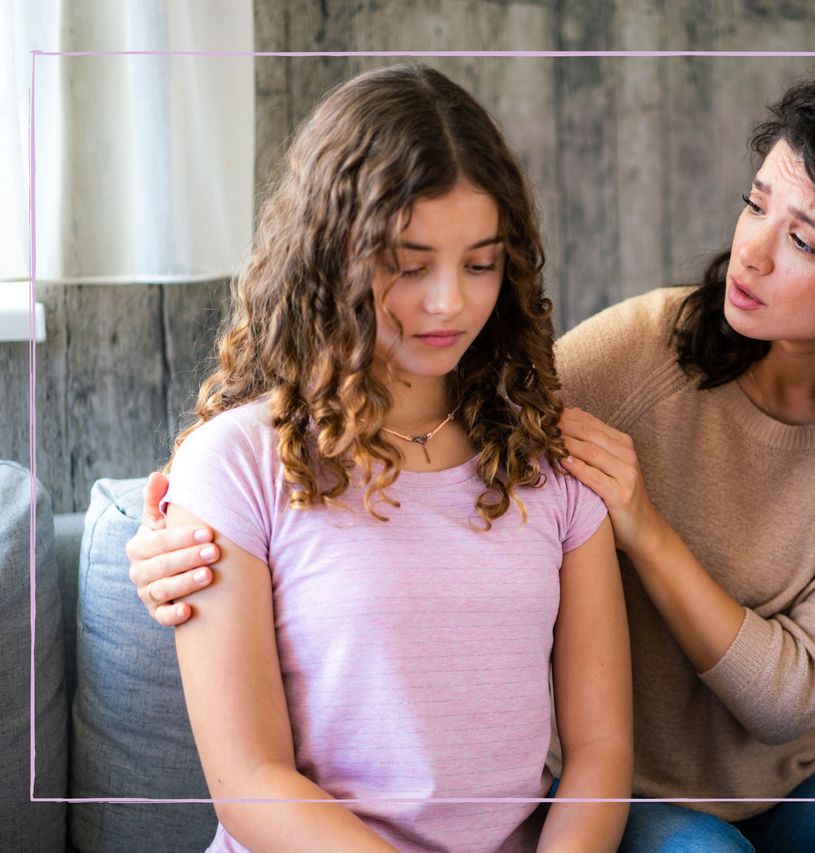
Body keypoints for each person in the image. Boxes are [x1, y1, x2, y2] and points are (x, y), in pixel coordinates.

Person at [130, 63, 815, 851]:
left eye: (804, 240)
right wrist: (178, 505)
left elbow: (792, 700)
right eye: (755, 205)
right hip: (624, 787)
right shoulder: (650, 349)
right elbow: (415, 411)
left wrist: (646, 528)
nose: (751, 252)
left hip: (782, 772)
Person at [153, 64, 632, 852]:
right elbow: (249, 780)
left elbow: (600, 751)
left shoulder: (553, 468)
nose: (449, 301)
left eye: (480, 263)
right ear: (329, 258)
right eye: (408, 265)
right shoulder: (234, 464)